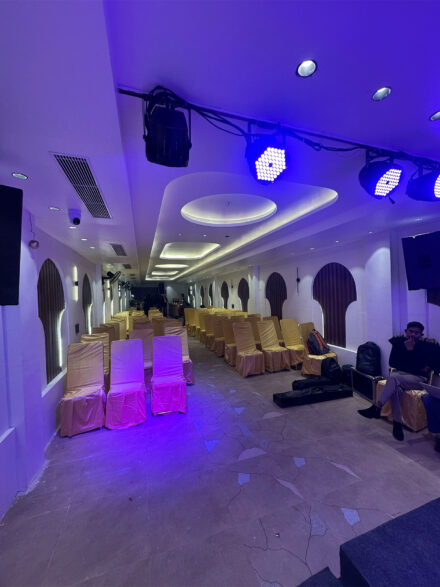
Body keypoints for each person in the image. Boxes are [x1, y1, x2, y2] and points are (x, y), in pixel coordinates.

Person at [358, 322, 438, 441]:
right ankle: (397, 424)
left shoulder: (427, 347)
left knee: (393, 377)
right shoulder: (399, 343)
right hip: (401, 376)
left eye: (416, 333)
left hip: (418, 379)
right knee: (396, 389)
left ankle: (377, 407)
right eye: (411, 331)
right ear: (406, 331)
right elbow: (393, 363)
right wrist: (416, 365)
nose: (413, 334)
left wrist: (410, 351)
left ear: (421, 334)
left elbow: (428, 368)